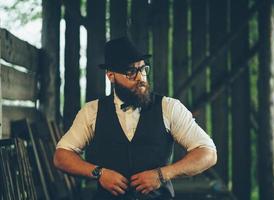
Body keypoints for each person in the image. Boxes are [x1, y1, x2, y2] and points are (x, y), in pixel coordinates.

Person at [54, 37, 217, 200]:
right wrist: (98, 173)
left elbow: (208, 153)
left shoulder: (169, 107)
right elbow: (62, 156)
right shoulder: (92, 111)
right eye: (130, 72)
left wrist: (162, 174)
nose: (141, 78)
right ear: (111, 75)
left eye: (143, 69)